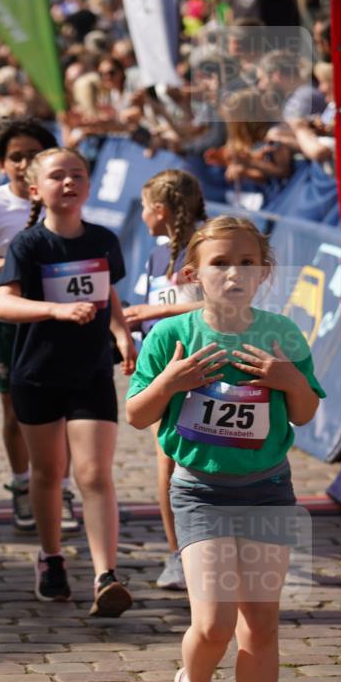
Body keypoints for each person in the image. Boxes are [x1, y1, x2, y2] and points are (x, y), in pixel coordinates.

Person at [126, 216, 325, 682]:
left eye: (246, 262)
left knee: (260, 625)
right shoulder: (173, 336)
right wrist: (171, 381)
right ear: (193, 273)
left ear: (264, 273)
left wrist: (289, 379)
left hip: (267, 489)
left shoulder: (283, 334)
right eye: (219, 262)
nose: (233, 272)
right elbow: (138, 415)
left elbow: (307, 412)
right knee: (213, 623)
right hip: (200, 491)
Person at [0, 148, 136, 616]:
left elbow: (107, 291)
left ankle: (105, 575)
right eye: (58, 175)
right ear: (37, 189)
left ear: (89, 185)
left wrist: (122, 334)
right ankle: (51, 557)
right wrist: (55, 310)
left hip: (91, 371)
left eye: (78, 174)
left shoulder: (103, 239)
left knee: (94, 473)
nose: (69, 182)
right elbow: (5, 304)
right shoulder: (29, 245)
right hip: (37, 373)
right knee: (50, 473)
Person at [0, 119, 80, 533]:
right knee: (15, 412)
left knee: (63, 413)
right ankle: (23, 484)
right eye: (15, 156)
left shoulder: (63, 197)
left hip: (57, 320)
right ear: (0, 162)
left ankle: (60, 488)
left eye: (32, 155)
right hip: (7, 324)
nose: (24, 163)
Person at [123, 170, 206, 590]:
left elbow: (215, 306)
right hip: (165, 368)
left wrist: (147, 314)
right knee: (168, 460)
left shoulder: (210, 247)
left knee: (210, 459)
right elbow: (145, 309)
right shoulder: (158, 255)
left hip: (209, 366)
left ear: (159, 210)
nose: (140, 215)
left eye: (143, 207)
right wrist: (133, 340)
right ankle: (178, 554)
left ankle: (220, 547)